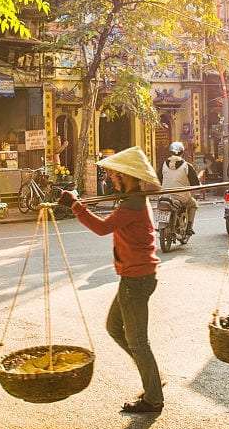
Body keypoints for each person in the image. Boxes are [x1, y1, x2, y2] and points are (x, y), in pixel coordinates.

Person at [59, 147, 164, 414]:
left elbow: (102, 228)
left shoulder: (133, 204)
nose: (112, 179)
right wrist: (78, 204)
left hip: (136, 279)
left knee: (138, 341)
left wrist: (75, 205)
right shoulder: (132, 199)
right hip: (136, 276)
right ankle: (151, 377)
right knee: (114, 327)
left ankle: (153, 398)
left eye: (116, 175)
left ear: (126, 177)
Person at [159, 141, 199, 237]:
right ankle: (189, 227)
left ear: (170, 152)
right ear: (182, 152)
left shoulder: (163, 165)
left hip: (164, 196)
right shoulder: (187, 166)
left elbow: (159, 180)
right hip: (181, 197)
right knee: (193, 204)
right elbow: (195, 183)